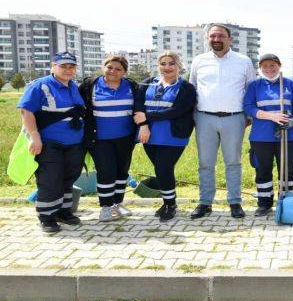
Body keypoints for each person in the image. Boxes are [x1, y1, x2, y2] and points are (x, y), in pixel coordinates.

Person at [189, 23, 256, 219]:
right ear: (207, 39)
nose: (216, 40)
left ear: (229, 39)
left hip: (234, 119)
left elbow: (250, 90)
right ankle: (205, 202)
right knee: (205, 163)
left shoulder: (243, 61)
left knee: (233, 162)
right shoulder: (199, 61)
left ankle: (235, 202)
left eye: (220, 36)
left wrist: (247, 117)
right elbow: (192, 88)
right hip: (204, 118)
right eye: (212, 36)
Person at [17, 52, 85, 232]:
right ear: (53, 67)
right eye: (63, 66)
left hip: (74, 143)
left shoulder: (73, 86)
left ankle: (63, 212)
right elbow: (26, 111)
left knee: (68, 178)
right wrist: (34, 137)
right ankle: (46, 217)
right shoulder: (40, 86)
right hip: (50, 143)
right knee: (50, 179)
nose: (68, 70)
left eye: (71, 67)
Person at [134, 51, 197, 222]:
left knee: (163, 168)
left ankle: (170, 204)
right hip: (149, 135)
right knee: (161, 170)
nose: (167, 67)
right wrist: (143, 125)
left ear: (179, 66)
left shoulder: (187, 88)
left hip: (173, 137)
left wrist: (148, 117)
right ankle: (168, 202)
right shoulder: (146, 83)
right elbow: (138, 106)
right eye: (163, 63)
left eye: (171, 63)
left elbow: (177, 111)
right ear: (158, 66)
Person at [243, 54, 293, 216]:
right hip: (261, 136)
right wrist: (272, 116)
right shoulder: (254, 86)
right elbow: (248, 107)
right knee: (263, 169)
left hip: (288, 135)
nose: (269, 69)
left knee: (287, 171)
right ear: (260, 68)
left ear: (279, 65)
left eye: (273, 65)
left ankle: (285, 201)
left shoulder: (290, 84)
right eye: (265, 66)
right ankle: (264, 203)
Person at [79, 55, 138, 222]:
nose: (113, 71)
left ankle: (117, 204)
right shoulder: (89, 85)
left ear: (124, 72)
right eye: (110, 67)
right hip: (99, 139)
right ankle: (105, 207)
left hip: (126, 138)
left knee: (121, 172)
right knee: (106, 172)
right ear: (104, 67)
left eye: (118, 69)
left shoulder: (131, 86)